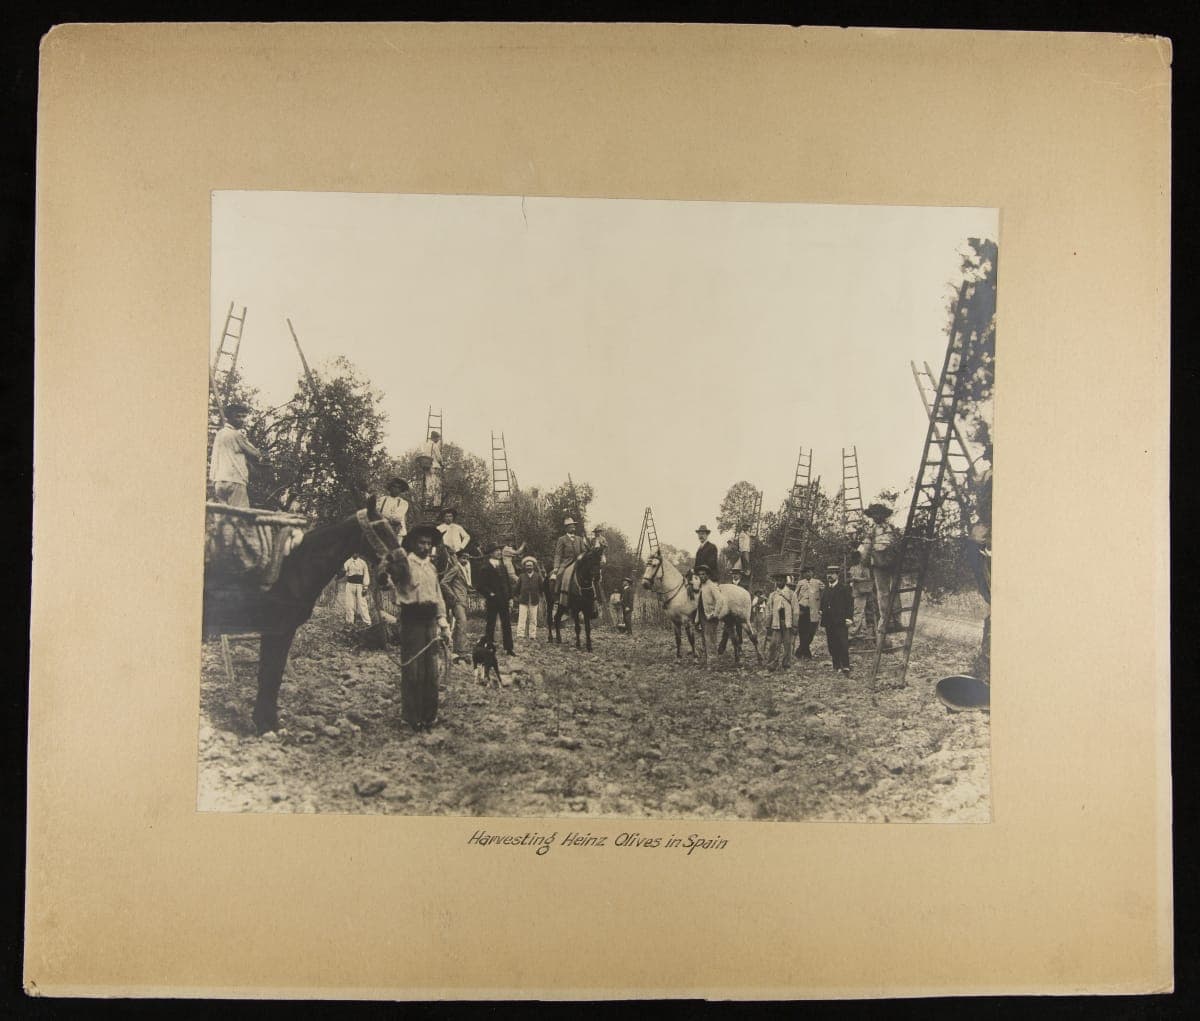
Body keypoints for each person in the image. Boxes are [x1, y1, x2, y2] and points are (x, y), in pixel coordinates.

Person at [393, 524, 452, 731]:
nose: (426, 547)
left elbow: (438, 596)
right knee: (413, 670)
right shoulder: (404, 564)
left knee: (431, 671)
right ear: (413, 543)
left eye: (429, 543)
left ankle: (429, 717)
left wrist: (443, 622)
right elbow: (390, 578)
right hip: (412, 620)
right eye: (421, 542)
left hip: (430, 621)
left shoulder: (431, 567)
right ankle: (410, 717)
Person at [209, 403, 265, 509]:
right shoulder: (237, 435)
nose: (241, 419)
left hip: (219, 481)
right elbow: (256, 454)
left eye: (243, 416)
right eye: (238, 416)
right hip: (235, 480)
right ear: (229, 418)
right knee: (240, 517)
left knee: (224, 518)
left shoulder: (220, 434)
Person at [859, 503, 901, 632]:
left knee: (895, 590)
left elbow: (897, 543)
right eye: (874, 514)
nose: (877, 516)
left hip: (892, 562)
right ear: (872, 516)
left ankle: (897, 620)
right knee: (883, 593)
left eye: (880, 513)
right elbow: (866, 548)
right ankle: (885, 622)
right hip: (878, 563)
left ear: (884, 515)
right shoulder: (871, 531)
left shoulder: (892, 528)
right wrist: (863, 561)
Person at [475, 540, 515, 654]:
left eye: (499, 550)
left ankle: (509, 648)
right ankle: (489, 646)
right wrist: (490, 594)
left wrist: (510, 597)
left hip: (504, 600)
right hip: (492, 601)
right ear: (491, 553)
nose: (499, 552)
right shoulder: (485, 567)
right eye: (496, 551)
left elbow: (507, 583)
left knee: (506, 624)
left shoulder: (502, 566)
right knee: (491, 624)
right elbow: (480, 586)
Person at [820, 564, 854, 676]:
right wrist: (821, 610)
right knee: (832, 644)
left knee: (843, 643)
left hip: (841, 621)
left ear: (837, 575)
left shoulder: (844, 588)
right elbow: (823, 603)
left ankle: (846, 666)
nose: (829, 576)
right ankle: (836, 665)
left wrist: (849, 618)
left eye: (832, 574)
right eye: (828, 574)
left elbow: (850, 604)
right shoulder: (825, 589)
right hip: (829, 622)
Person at [440, 548, 473, 663]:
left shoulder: (465, 570)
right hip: (457, 601)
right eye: (463, 557)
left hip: (463, 600)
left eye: (467, 558)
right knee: (461, 622)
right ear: (458, 558)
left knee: (460, 624)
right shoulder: (455, 568)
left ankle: (455, 649)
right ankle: (461, 651)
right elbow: (444, 582)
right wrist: (452, 595)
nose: (466, 560)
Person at [693, 562, 726, 667]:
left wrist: (715, 614)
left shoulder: (712, 586)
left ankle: (713, 664)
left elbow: (720, 600)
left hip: (710, 617)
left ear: (707, 575)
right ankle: (706, 661)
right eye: (700, 574)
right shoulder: (702, 587)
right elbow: (699, 604)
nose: (702, 576)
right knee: (703, 639)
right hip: (702, 616)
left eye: (703, 574)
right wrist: (697, 619)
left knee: (710, 640)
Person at [765, 574, 795, 670]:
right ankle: (772, 664)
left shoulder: (791, 594)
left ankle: (786, 664)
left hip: (787, 622)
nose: (779, 582)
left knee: (787, 644)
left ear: (785, 581)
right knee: (774, 644)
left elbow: (796, 610)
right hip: (776, 623)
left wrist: (795, 624)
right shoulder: (772, 595)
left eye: (781, 580)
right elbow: (769, 610)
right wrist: (768, 624)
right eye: (777, 580)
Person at [793, 566, 824, 660]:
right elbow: (795, 595)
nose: (807, 574)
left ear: (812, 572)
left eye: (809, 572)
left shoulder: (818, 582)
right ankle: (807, 654)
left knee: (811, 632)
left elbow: (824, 594)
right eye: (805, 572)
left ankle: (799, 651)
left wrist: (821, 607)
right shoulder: (800, 583)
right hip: (802, 610)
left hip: (813, 610)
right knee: (803, 632)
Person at [847, 549, 873, 637]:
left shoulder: (865, 568)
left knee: (858, 611)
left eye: (856, 558)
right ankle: (863, 630)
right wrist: (851, 579)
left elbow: (868, 579)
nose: (854, 560)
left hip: (862, 592)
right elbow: (850, 578)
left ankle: (855, 631)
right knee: (860, 612)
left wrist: (857, 579)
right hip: (855, 592)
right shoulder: (852, 568)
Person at [341, 553, 372, 627]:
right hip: (350, 585)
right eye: (353, 552)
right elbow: (343, 571)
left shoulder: (362, 562)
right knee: (349, 604)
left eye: (357, 552)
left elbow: (366, 575)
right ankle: (350, 623)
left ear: (358, 553)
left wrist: (365, 587)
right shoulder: (348, 561)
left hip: (360, 585)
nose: (355, 554)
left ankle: (367, 622)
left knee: (362, 604)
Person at [516, 556, 542, 639]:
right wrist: (517, 597)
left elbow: (541, 588)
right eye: (527, 566)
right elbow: (517, 588)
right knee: (522, 618)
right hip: (523, 600)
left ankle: (532, 635)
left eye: (530, 565)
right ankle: (520, 634)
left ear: (533, 566)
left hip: (534, 600)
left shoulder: (538, 576)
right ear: (525, 567)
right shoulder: (521, 576)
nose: (529, 567)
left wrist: (539, 596)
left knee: (533, 619)